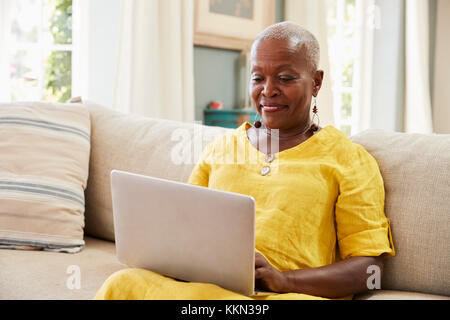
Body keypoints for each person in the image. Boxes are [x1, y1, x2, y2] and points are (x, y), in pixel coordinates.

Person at [95, 21, 395, 300]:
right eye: (257, 78)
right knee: (122, 283)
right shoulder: (221, 149)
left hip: (288, 295)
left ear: (316, 82)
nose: (268, 90)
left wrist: (285, 280)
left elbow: (370, 271)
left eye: (285, 78)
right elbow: (183, 234)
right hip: (209, 290)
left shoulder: (350, 159)